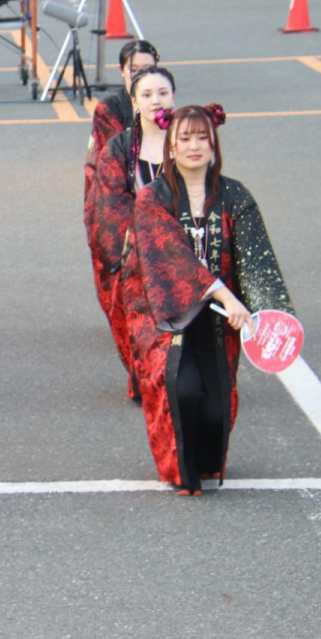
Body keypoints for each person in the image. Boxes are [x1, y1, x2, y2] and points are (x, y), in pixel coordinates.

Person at [124, 104, 294, 496]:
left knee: (217, 405)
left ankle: (206, 465)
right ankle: (180, 471)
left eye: (202, 138)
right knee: (181, 389)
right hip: (167, 314)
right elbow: (171, 257)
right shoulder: (153, 197)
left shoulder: (235, 195)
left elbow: (256, 259)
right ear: (170, 146)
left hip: (221, 319)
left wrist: (270, 317)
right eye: (184, 138)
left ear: (214, 143)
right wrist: (223, 294)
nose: (194, 146)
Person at [86, 66, 175, 401]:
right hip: (138, 256)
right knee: (145, 333)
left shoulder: (186, 140)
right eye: (147, 95)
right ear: (134, 102)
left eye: (163, 93)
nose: (156, 101)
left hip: (185, 256)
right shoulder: (120, 148)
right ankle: (148, 386)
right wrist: (139, 245)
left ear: (174, 97)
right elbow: (110, 207)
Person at [84, 40, 160, 197]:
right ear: (122, 70)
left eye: (148, 69)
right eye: (134, 70)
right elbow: (103, 161)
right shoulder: (109, 109)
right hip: (119, 192)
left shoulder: (162, 104)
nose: (141, 75)